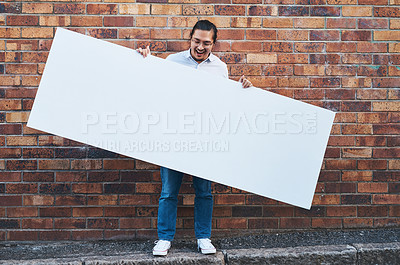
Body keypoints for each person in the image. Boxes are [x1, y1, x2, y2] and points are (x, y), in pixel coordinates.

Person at [137, 20, 252, 256]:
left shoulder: (220, 68)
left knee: (204, 191)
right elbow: (155, 89)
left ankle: (203, 237)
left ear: (213, 43)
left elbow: (225, 104)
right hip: (174, 136)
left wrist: (244, 91)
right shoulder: (172, 62)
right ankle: (164, 238)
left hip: (204, 139)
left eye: (206, 43)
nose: (201, 47)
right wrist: (143, 62)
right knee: (169, 190)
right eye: (197, 41)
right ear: (190, 39)